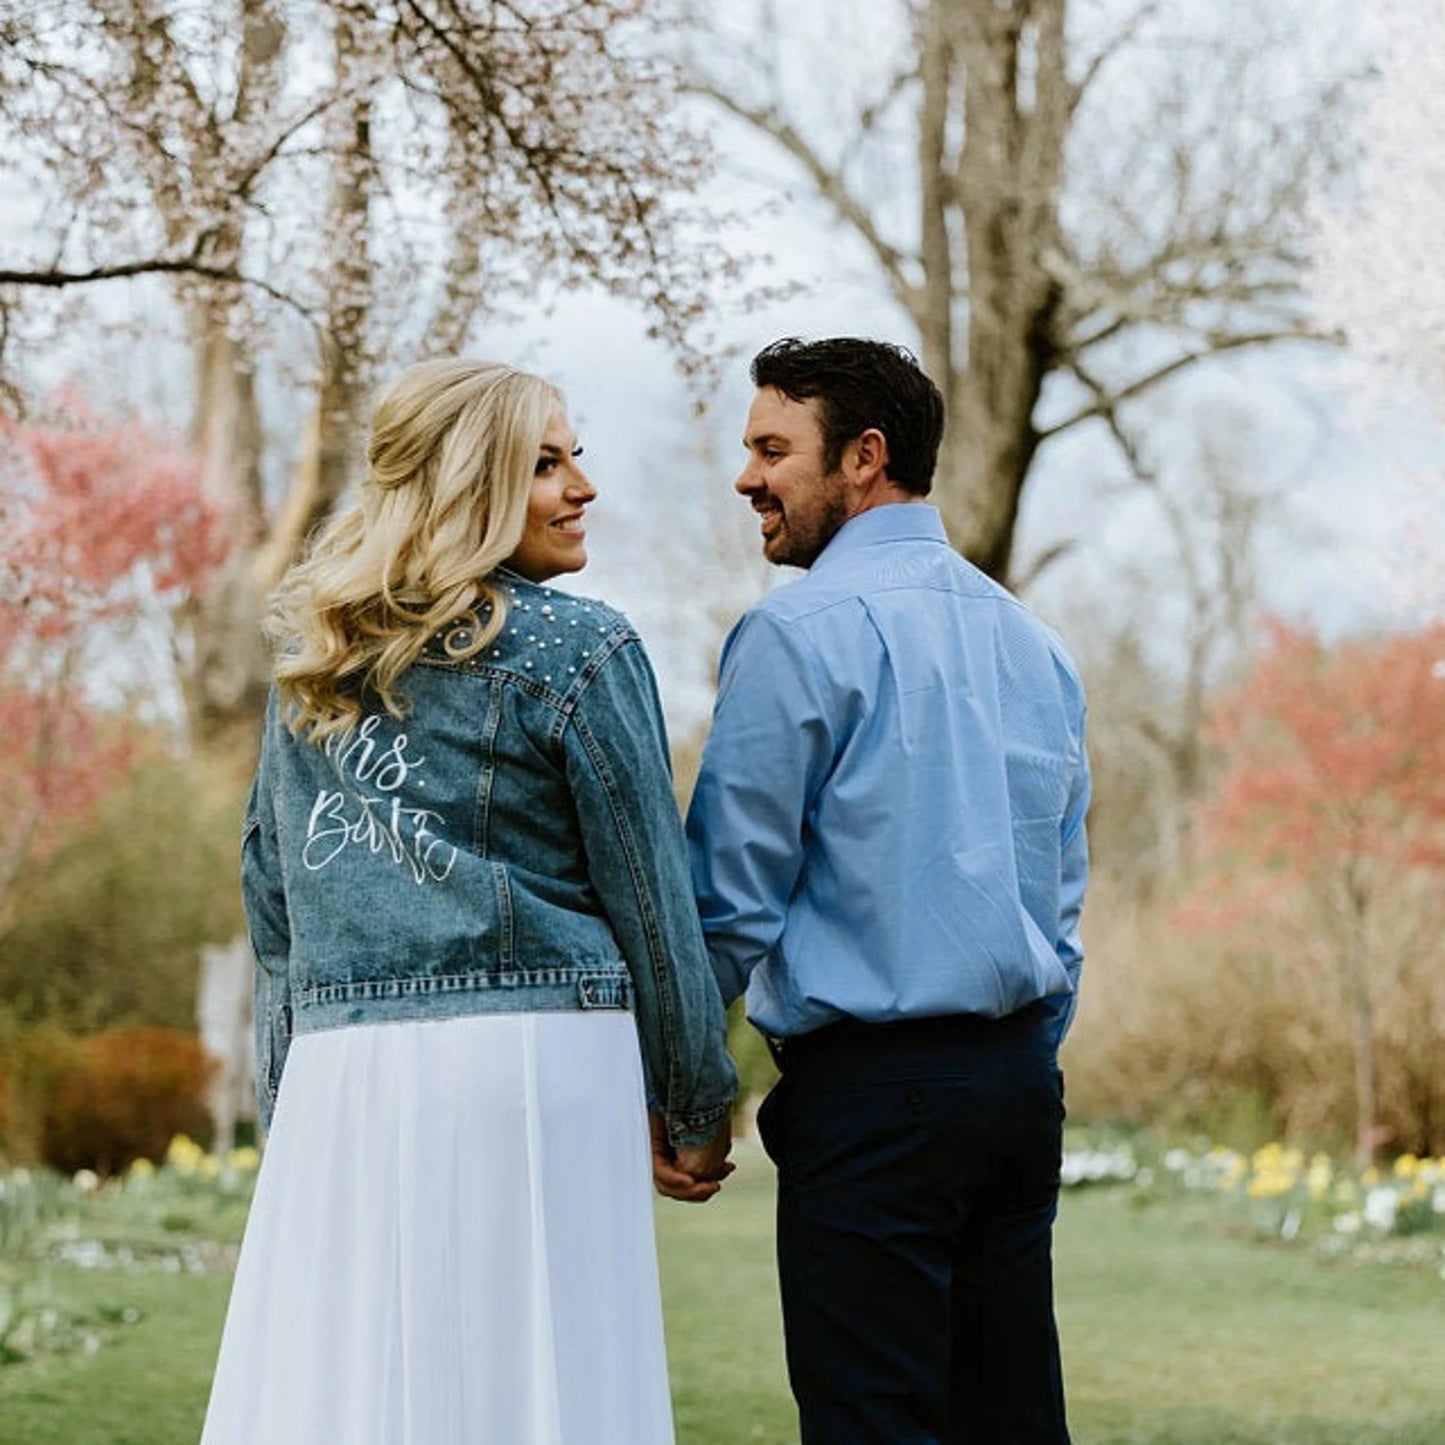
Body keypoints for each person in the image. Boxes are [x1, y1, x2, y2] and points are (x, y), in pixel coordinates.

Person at [200, 357, 736, 1445]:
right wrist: (691, 1101)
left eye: (575, 454)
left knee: (358, 1392)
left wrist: (288, 1097)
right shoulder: (578, 647)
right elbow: (649, 896)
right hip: (536, 1063)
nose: (582, 484)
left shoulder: (316, 665)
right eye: (545, 462)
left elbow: (275, 904)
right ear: (467, 482)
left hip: (344, 1070)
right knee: (541, 1379)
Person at [685, 337, 1090, 1444]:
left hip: (873, 1104)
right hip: (1012, 1092)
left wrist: (680, 1086)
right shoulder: (1033, 642)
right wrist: (1023, 1055)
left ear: (863, 457)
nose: (746, 477)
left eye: (772, 448)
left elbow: (727, 900)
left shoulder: (793, 633)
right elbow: (1059, 896)